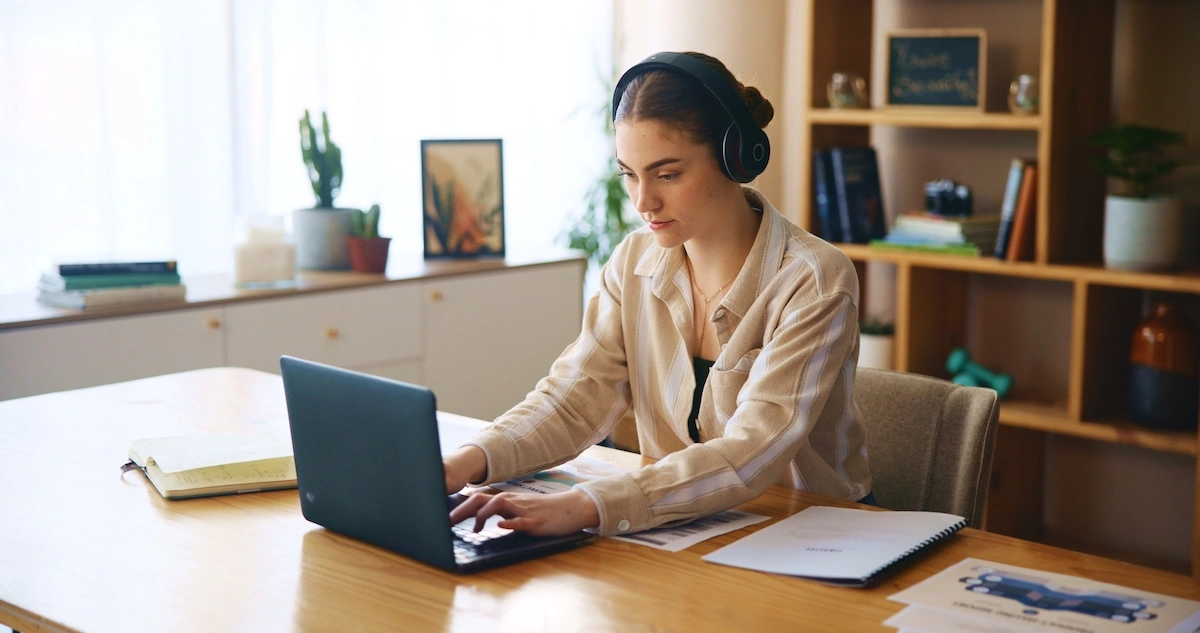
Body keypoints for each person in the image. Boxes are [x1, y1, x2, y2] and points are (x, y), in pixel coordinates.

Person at [445, 51, 872, 537]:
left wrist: (588, 505)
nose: (643, 202)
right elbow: (573, 400)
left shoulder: (813, 280)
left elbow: (751, 451)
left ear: (736, 158)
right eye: (630, 174)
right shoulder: (632, 263)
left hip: (806, 530)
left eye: (667, 174)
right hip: (681, 523)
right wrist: (467, 461)